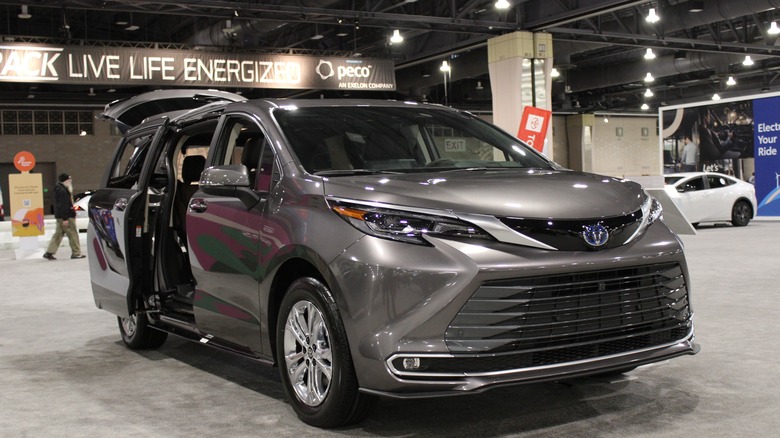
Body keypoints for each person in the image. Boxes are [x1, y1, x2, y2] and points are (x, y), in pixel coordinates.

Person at [43, 173, 84, 260]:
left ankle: (49, 252)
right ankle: (76, 253)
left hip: (60, 217)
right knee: (73, 234)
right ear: (65, 181)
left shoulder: (58, 189)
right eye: (69, 180)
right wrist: (66, 218)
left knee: (58, 234)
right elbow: (64, 205)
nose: (70, 181)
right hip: (67, 217)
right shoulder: (63, 191)